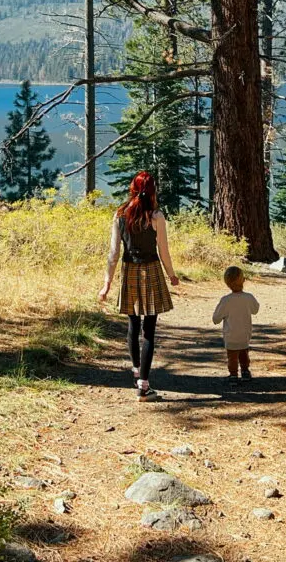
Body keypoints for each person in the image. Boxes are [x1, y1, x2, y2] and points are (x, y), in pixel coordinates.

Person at [99, 171, 179, 400]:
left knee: (133, 326)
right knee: (149, 331)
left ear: (132, 188)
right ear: (153, 190)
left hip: (129, 272)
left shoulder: (119, 215)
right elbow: (163, 250)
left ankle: (137, 372)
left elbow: (113, 254)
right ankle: (144, 386)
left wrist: (107, 284)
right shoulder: (156, 216)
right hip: (151, 271)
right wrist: (171, 275)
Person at [212, 265, 260, 390]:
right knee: (244, 353)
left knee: (232, 356)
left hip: (231, 335)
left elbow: (215, 319)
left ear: (227, 283)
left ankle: (233, 375)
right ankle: (245, 371)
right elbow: (255, 310)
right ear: (243, 281)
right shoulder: (248, 297)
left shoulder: (226, 300)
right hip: (245, 334)